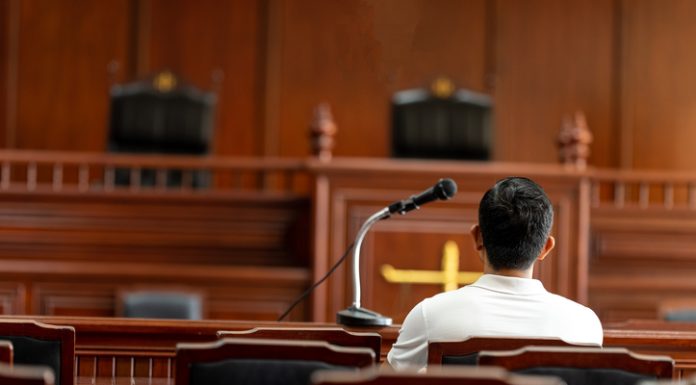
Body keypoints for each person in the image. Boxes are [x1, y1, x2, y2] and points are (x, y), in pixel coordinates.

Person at [386, 176, 603, 371]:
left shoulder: (429, 316)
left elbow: (385, 380)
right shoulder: (584, 325)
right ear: (545, 247)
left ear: (478, 237)